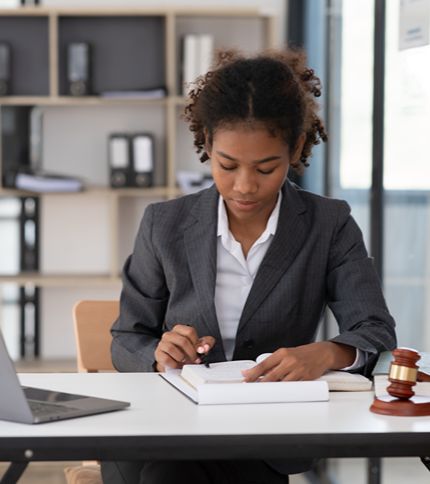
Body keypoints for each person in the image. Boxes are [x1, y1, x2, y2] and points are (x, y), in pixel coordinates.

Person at [102, 48, 396, 484]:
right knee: (166, 471)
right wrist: (158, 354)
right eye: (227, 165)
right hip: (168, 425)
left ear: (295, 148)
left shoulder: (327, 224)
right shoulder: (164, 224)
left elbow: (374, 328)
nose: (244, 186)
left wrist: (324, 354)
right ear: (207, 144)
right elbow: (127, 337)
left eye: (265, 167)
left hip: (265, 436)